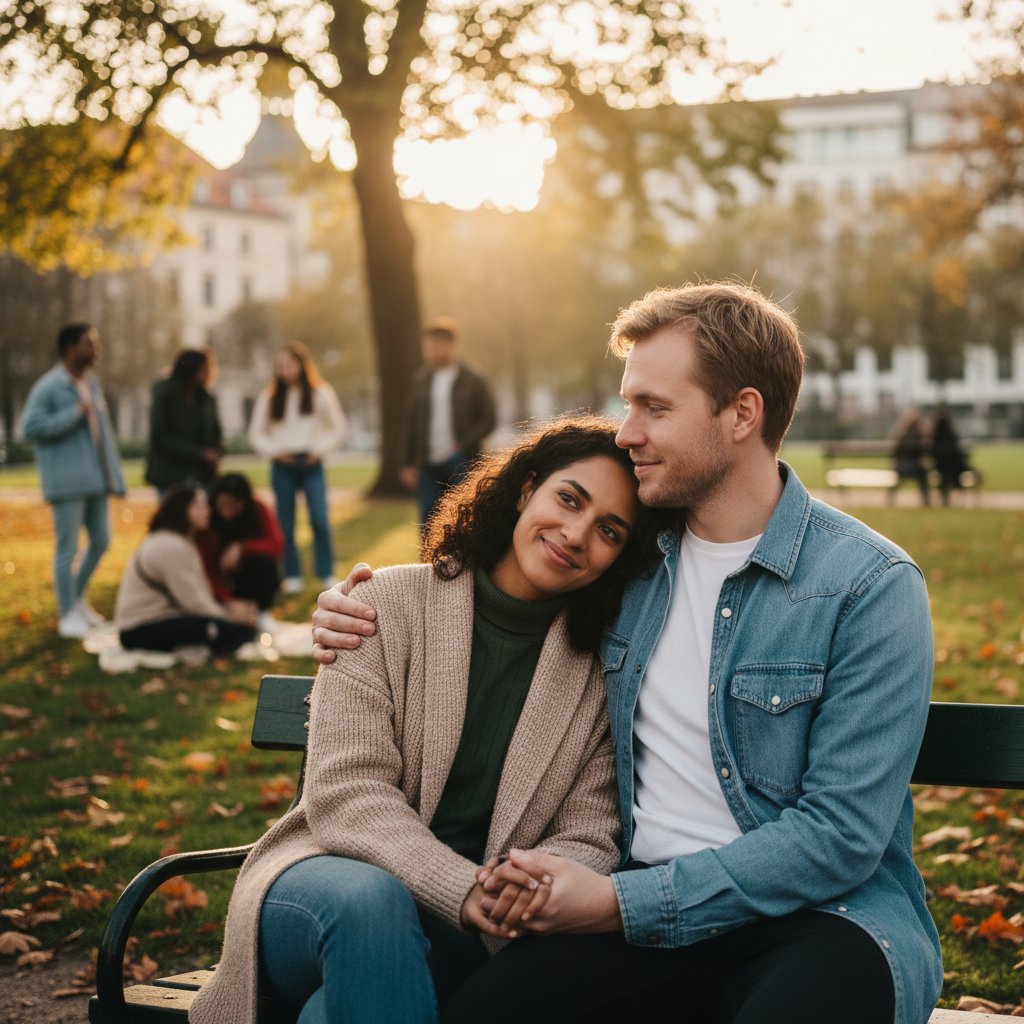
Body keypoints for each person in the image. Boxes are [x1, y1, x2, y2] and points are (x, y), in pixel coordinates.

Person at [313, 282, 942, 1024]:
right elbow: (486, 596)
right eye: (628, 404)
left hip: (825, 919)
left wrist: (619, 902)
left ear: (742, 413)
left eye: (655, 408)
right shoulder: (624, 568)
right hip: (635, 913)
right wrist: (357, 604)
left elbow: (838, 838)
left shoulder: (868, 586)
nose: (625, 432)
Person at [187, 416, 671, 1024]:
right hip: (327, 890)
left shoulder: (602, 671)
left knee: (330, 1014)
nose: (575, 534)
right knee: (373, 904)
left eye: (609, 531)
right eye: (568, 499)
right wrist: (461, 888)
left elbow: (589, 832)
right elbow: (346, 792)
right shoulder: (380, 605)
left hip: (482, 929)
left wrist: (514, 891)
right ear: (526, 490)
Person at [20, 322, 126, 638]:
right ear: (70, 348)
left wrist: (115, 477)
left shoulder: (91, 383)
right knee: (68, 548)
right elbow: (31, 428)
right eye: (88, 343)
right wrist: (73, 414)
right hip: (66, 482)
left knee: (102, 540)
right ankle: (67, 615)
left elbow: (102, 435)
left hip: (95, 479)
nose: (95, 349)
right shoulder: (49, 386)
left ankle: (76, 600)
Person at [247, 342, 347, 593]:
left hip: (311, 463)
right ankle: (292, 574)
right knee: (285, 522)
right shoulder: (269, 397)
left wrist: (319, 451)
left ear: (302, 365)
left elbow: (338, 428)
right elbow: (256, 434)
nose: (285, 370)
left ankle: (325, 571)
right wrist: (275, 452)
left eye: (289, 364)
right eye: (280, 366)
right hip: (283, 465)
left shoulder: (320, 392)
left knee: (319, 517)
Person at [115, 484, 256, 655]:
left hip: (160, 619)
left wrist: (228, 608)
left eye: (206, 505)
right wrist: (228, 615)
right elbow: (192, 601)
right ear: (181, 510)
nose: (207, 511)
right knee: (237, 631)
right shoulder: (170, 545)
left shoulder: (180, 541)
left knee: (236, 628)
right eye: (198, 506)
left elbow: (198, 592)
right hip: (140, 628)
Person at [401, 317, 497, 530]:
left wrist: (462, 443)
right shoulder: (421, 380)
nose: (431, 350)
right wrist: (408, 463)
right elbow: (412, 423)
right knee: (428, 519)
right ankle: (428, 563)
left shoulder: (473, 379)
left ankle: (462, 563)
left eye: (436, 344)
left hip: (461, 460)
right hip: (427, 463)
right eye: (429, 345)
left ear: (451, 345)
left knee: (463, 517)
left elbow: (489, 419)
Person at [196, 473, 284, 633]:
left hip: (249, 577)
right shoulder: (207, 523)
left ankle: (263, 612)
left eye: (234, 504)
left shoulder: (258, 510)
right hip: (218, 584)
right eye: (223, 504)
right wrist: (227, 599)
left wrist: (243, 547)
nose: (227, 510)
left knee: (265, 562)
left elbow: (276, 545)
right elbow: (205, 569)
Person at [144, 347, 223, 495]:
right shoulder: (166, 394)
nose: (208, 372)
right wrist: (200, 453)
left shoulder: (206, 398)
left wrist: (217, 451)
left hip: (202, 475)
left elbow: (215, 432)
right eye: (204, 368)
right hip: (170, 474)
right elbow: (160, 437)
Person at [889, 408, 930, 506]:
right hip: (914, 467)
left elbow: (895, 452)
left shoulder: (901, 435)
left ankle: (890, 499)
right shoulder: (919, 435)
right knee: (923, 476)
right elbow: (924, 452)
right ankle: (926, 501)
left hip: (901, 467)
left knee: (897, 482)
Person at [930, 405, 969, 506]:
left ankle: (943, 498)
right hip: (954, 468)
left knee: (942, 476)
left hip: (940, 467)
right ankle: (954, 498)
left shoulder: (934, 436)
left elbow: (930, 452)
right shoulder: (951, 435)